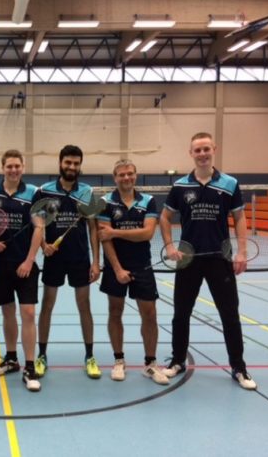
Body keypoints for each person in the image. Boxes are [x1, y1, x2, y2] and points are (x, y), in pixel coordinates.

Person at [160, 132, 257, 390]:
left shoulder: (229, 184)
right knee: (181, 314)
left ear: (214, 149)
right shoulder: (180, 186)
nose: (202, 154)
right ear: (190, 153)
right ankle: (177, 361)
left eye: (206, 149)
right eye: (197, 150)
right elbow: (165, 217)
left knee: (230, 315)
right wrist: (169, 246)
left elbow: (239, 218)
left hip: (219, 259)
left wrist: (242, 252)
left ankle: (239, 367)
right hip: (188, 259)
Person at [97, 159, 169, 385]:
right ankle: (119, 361)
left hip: (142, 265)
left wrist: (115, 232)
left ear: (135, 175)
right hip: (114, 266)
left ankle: (150, 364)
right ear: (115, 177)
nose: (126, 177)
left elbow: (147, 233)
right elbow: (104, 239)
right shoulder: (105, 202)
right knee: (115, 311)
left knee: (150, 314)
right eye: (121, 174)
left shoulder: (148, 201)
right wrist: (118, 269)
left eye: (130, 173)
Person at [34, 144, 101, 379]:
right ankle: (41, 355)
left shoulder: (87, 192)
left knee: (84, 306)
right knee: (47, 305)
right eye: (68, 162)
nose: (72, 167)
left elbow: (93, 228)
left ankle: (90, 356)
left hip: (79, 257)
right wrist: (43, 245)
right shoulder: (44, 191)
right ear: (60, 163)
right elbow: (37, 224)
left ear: (80, 165)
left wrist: (96, 262)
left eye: (76, 163)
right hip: (54, 258)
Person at [0, 149, 43, 392]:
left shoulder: (34, 193)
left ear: (23, 168)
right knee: (7, 312)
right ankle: (11, 359)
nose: (14, 170)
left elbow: (39, 228)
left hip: (24, 264)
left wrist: (29, 260)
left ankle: (30, 366)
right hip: (0, 265)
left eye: (17, 166)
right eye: (9, 166)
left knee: (28, 313)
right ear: (2, 168)